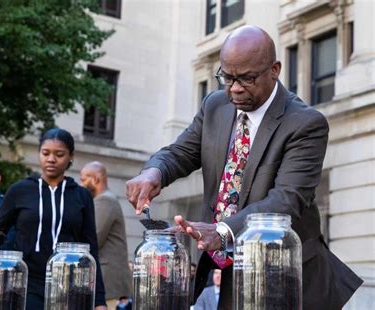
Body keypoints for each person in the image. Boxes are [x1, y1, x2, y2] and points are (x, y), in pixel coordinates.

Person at [125, 25, 362, 310]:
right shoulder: (215, 105)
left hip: (288, 278)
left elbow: (285, 201)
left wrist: (223, 231)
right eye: (227, 77)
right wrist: (155, 172)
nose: (234, 88)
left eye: (247, 78)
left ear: (275, 69)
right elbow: (181, 152)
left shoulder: (305, 124)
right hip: (232, 273)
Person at [0, 128, 107, 310]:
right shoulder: (20, 190)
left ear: (71, 156)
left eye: (59, 154)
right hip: (27, 282)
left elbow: (91, 248)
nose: (51, 159)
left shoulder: (81, 196)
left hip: (70, 283)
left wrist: (99, 300)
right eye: (45, 153)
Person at [80, 161, 133, 309]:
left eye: (83, 179)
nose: (81, 185)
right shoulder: (105, 199)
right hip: (110, 283)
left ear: (96, 179)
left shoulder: (104, 200)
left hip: (108, 283)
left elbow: (93, 239)